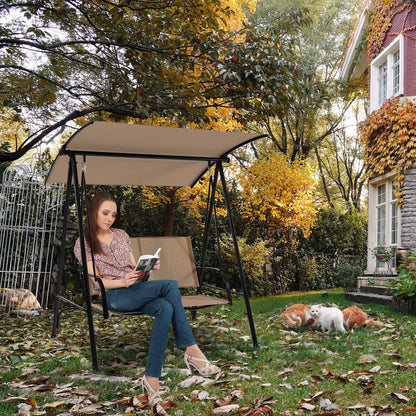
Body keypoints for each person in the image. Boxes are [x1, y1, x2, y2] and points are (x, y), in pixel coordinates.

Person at [74, 192, 220, 406]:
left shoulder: (122, 235)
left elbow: (134, 268)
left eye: (113, 215)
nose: (109, 218)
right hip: (114, 294)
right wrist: (122, 282)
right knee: (170, 285)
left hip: (136, 288)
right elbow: (96, 282)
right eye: (105, 213)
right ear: (93, 211)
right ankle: (192, 352)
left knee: (164, 307)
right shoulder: (84, 242)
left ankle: (151, 380)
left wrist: (149, 267)